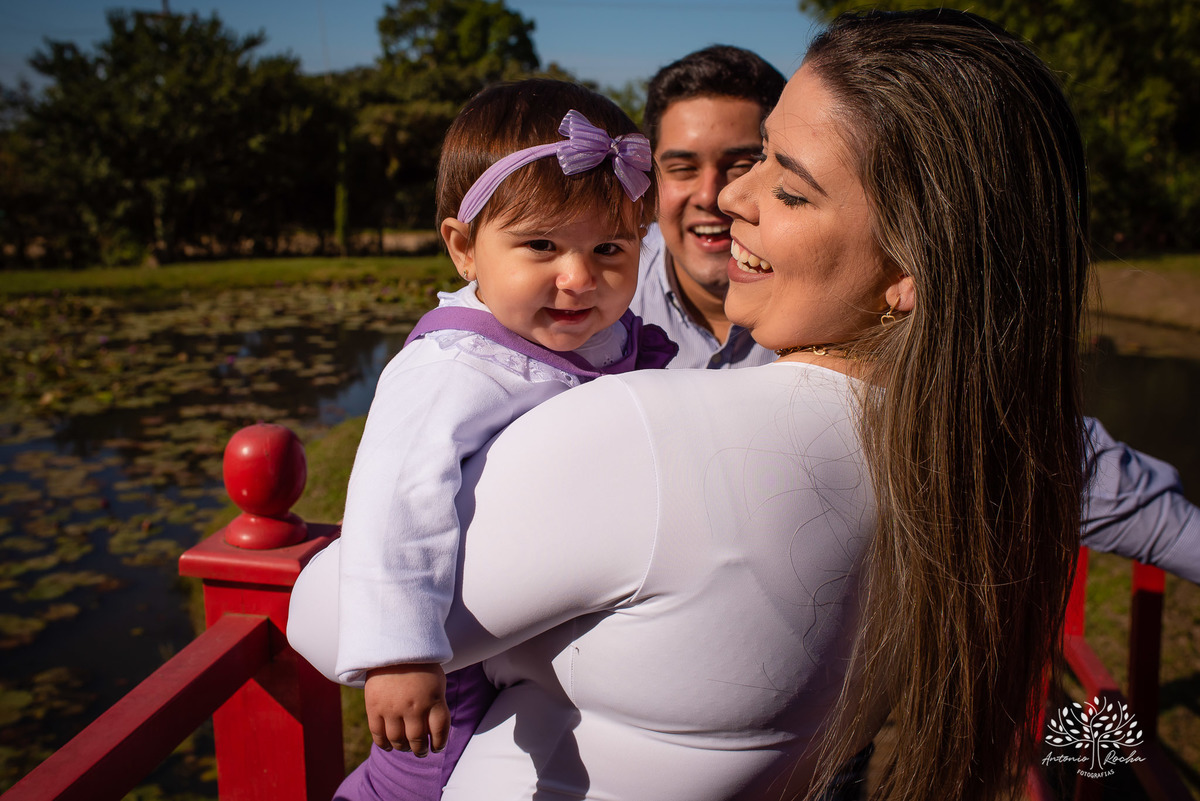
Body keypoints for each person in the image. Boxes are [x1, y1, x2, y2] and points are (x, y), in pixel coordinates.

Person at [290, 9, 1100, 799]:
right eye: (763, 158)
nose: (731, 198)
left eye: (790, 187)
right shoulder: (967, 449)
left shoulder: (645, 437)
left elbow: (322, 617)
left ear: (909, 269)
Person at [634, 45, 1199, 583]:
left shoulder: (877, 336)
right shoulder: (579, 297)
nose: (718, 195)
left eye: (752, 164)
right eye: (681, 167)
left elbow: (1033, 451)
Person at [327, 78, 674, 799]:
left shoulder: (603, 337)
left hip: (547, 627)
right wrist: (399, 651)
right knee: (419, 772)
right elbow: (396, 498)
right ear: (463, 248)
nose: (578, 279)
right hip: (452, 646)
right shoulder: (453, 365)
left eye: (610, 248)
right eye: (541, 244)